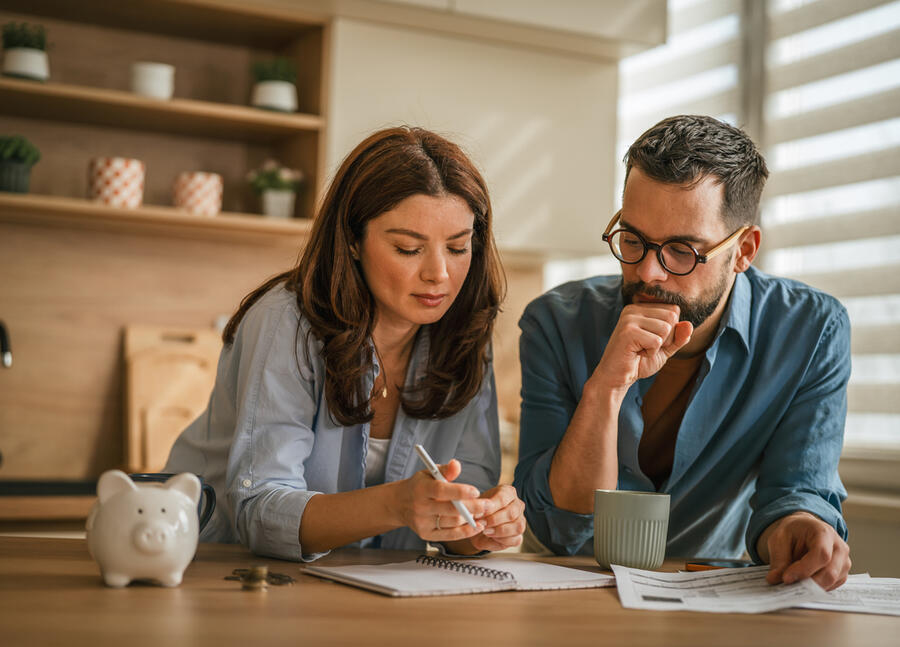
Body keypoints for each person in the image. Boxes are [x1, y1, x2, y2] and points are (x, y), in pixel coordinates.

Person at [514, 115, 851, 590]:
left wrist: (800, 528)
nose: (649, 272)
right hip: (566, 590)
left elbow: (794, 493)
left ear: (744, 250)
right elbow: (558, 529)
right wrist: (606, 388)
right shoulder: (555, 323)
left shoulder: (810, 331)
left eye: (681, 250)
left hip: (707, 596)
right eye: (632, 240)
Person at [165, 126, 526, 562]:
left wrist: (484, 524)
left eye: (458, 247)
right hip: (219, 572)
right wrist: (398, 505)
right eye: (409, 249)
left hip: (368, 589)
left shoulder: (465, 333)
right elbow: (259, 510)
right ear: (353, 241)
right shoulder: (285, 322)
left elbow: (459, 512)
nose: (440, 274)